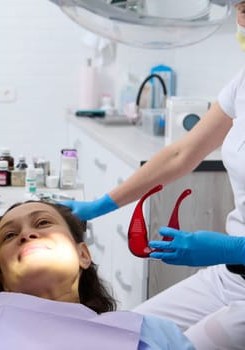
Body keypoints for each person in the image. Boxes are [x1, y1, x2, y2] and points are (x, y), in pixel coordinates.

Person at [60, 1, 245, 348]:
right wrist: (99, 206)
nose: (242, 19)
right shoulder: (242, 83)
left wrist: (235, 247)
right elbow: (181, 152)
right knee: (121, 336)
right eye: (241, 6)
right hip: (232, 278)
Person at [0, 201, 195, 350]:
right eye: (9, 235)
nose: (27, 234)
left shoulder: (154, 335)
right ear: (2, 278)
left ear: (84, 254)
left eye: (43, 223)